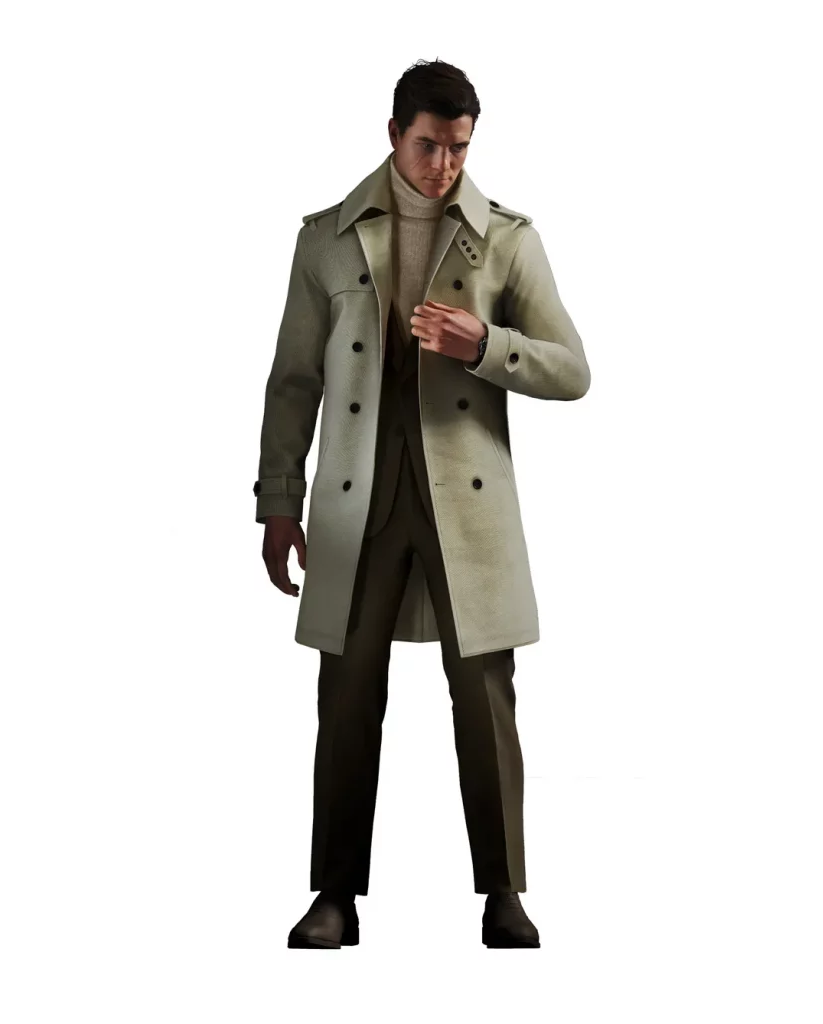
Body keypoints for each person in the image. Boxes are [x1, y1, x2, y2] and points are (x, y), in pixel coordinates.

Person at [253, 59, 590, 948]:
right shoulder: (326, 239)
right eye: (430, 145)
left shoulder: (506, 239)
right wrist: (279, 501)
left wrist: (485, 344)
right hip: (356, 495)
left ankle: (504, 893)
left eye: (460, 148)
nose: (445, 165)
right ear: (395, 133)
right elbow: (292, 383)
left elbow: (573, 369)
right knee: (346, 695)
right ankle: (334, 896)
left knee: (485, 698)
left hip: (465, 500)